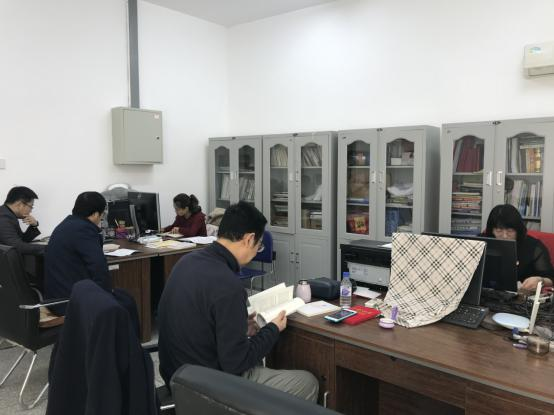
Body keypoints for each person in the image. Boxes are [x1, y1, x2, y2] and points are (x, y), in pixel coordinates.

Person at [158, 201, 318, 402]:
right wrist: (272, 329)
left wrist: (240, 327)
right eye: (259, 246)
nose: (257, 251)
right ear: (249, 239)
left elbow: (201, 323)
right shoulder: (228, 284)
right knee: (307, 382)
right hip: (207, 389)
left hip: (177, 378)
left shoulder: (187, 261)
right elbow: (236, 363)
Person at [44, 191, 111, 314]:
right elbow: (99, 268)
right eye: (102, 214)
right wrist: (105, 299)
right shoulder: (84, 230)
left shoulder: (66, 224)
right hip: (70, 302)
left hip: (55, 297)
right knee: (124, 301)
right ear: (96, 214)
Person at [482, 204, 554, 291]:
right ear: (491, 230)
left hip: (522, 294)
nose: (504, 236)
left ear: (518, 230)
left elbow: (551, 278)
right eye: (499, 231)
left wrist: (541, 280)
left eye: (510, 231)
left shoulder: (534, 247)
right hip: (486, 293)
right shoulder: (481, 243)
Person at [0, 186, 44, 255]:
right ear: (20, 204)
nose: (31, 211)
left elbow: (21, 240)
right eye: (31, 206)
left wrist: (34, 226)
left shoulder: (8, 214)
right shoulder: (3, 218)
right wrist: (50, 247)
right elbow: (18, 247)